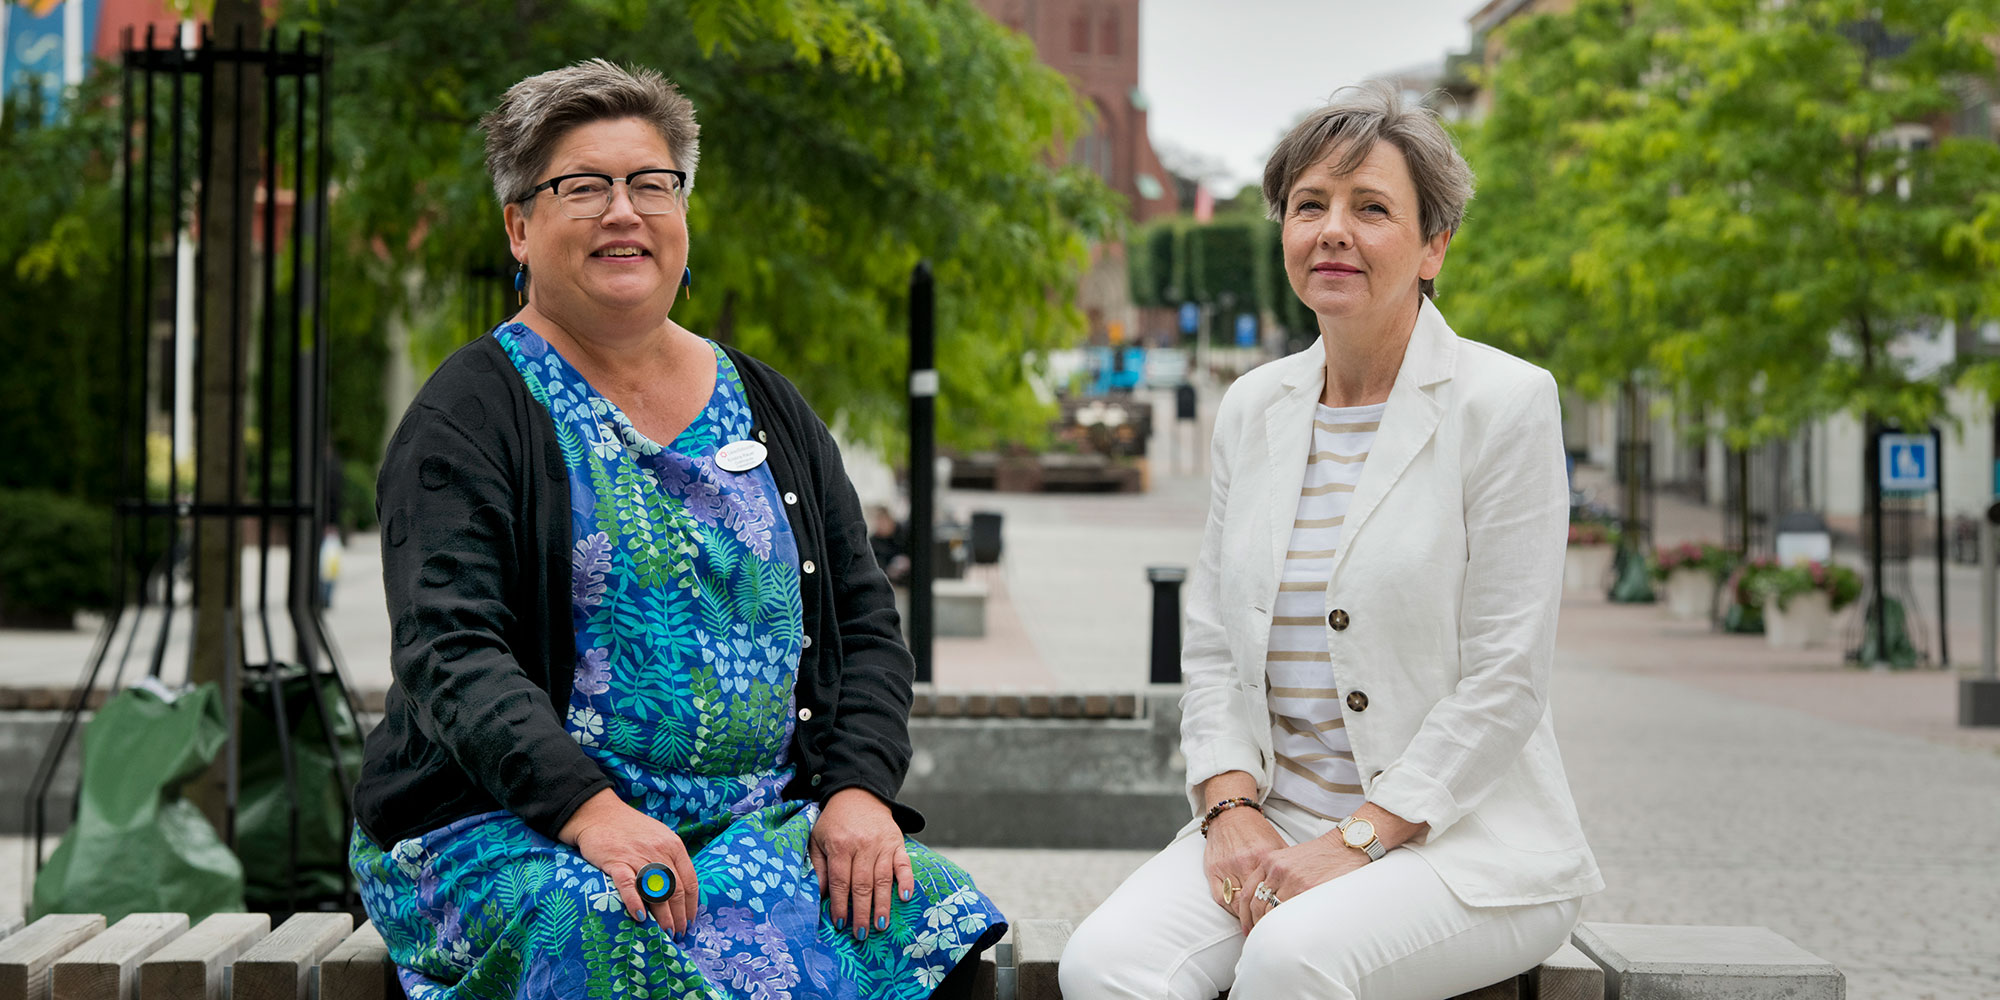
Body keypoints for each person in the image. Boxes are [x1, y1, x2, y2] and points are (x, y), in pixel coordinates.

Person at [348, 59, 1003, 999]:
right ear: (519, 227)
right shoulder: (468, 416)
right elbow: (451, 653)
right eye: (585, 187)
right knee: (621, 920)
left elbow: (863, 624)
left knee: (915, 900)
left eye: (652, 184)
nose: (625, 211)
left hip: (751, 821)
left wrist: (857, 789)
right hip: (509, 827)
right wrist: (591, 811)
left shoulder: (767, 403)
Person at [1060, 81, 1602, 1000]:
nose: (1332, 230)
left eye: (1372, 208)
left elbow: (1506, 680)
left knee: (1292, 956)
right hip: (1273, 817)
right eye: (1309, 205)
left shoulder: (1505, 403)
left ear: (1435, 245)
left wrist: (1356, 839)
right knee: (1106, 966)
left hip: (1463, 841)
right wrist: (1229, 809)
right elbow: (1215, 647)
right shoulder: (1254, 406)